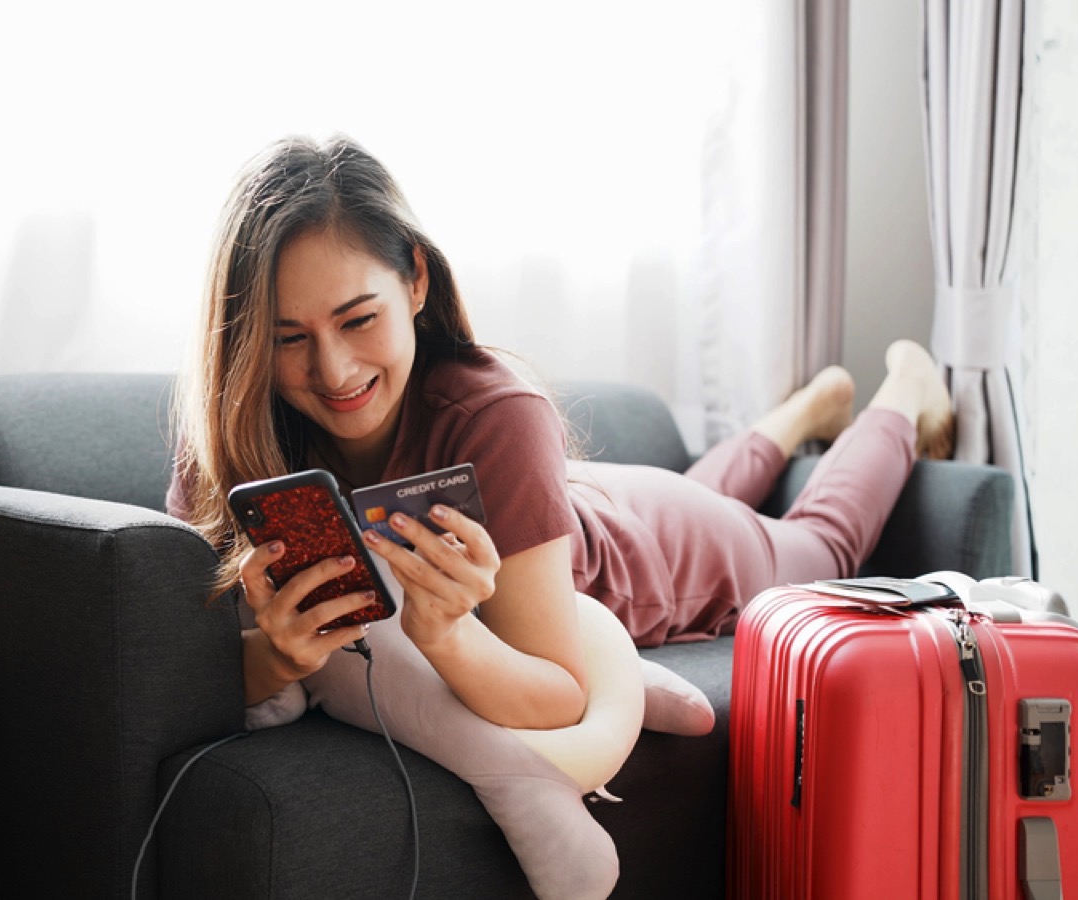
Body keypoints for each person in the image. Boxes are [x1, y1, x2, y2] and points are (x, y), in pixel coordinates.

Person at [167, 134, 954, 732]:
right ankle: (799, 417)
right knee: (699, 493)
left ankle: (902, 396)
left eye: (357, 319)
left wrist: (446, 638)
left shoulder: (496, 414)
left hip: (652, 554)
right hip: (577, 506)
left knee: (816, 547)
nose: (334, 370)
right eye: (288, 338)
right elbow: (172, 674)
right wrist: (273, 657)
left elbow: (560, 694)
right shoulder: (230, 437)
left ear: (415, 280)